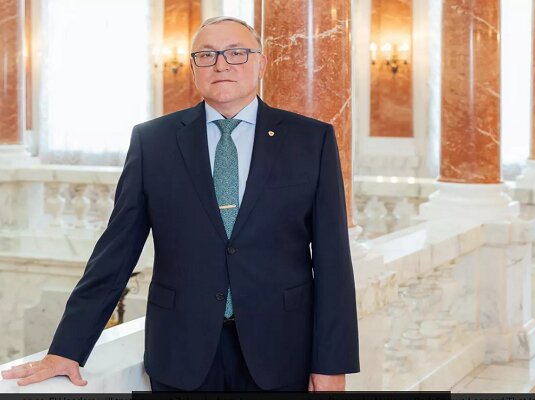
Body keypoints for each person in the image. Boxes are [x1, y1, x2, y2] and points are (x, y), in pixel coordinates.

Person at [1, 16, 359, 392]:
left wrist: (332, 363)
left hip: (282, 350)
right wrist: (66, 349)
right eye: (207, 55)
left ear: (261, 63)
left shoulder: (311, 140)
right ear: (193, 68)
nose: (221, 64)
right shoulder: (153, 142)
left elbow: (333, 261)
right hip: (180, 354)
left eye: (236, 53)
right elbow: (115, 253)